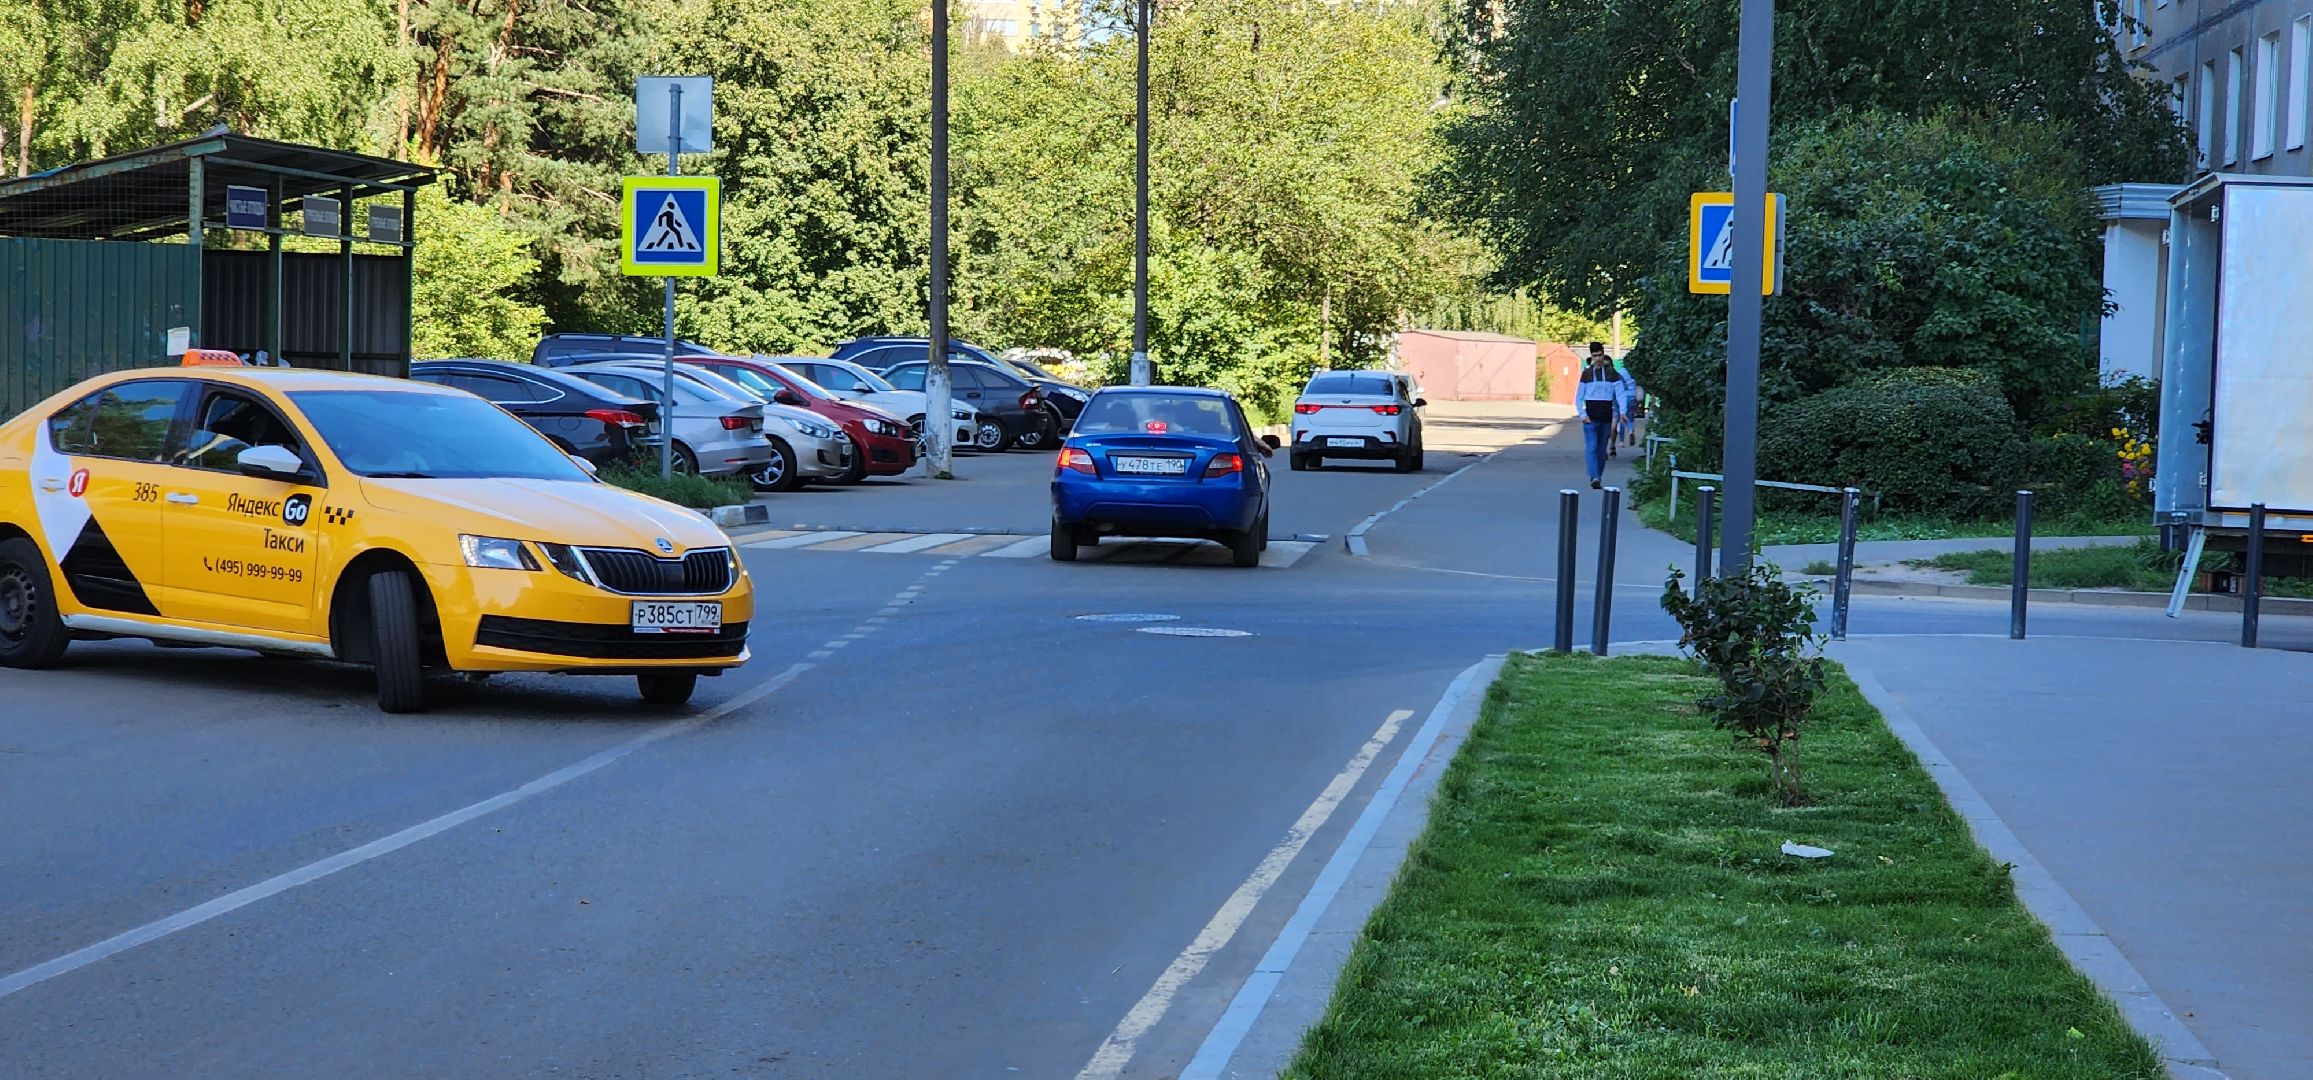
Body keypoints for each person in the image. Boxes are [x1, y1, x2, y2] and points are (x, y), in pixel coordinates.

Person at [1573, 342, 1624, 489]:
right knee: (1592, 446)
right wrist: (1582, 414)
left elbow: (1620, 393)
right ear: (1591, 356)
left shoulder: (1612, 374)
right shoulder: (1587, 374)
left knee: (1601, 449)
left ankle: (1598, 476)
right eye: (1594, 356)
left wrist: (1622, 411)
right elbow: (1578, 397)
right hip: (1590, 417)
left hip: (1606, 416)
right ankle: (1594, 476)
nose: (1598, 358)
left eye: (1600, 355)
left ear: (1603, 353)